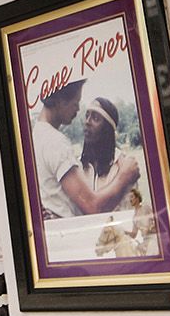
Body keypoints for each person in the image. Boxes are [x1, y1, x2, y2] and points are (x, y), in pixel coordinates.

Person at [33, 79, 141, 218]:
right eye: (76, 103)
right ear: (60, 100)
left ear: (108, 129)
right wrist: (124, 176)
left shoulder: (122, 164)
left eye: (95, 118)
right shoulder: (60, 148)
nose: (86, 121)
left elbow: (130, 215)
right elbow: (92, 206)